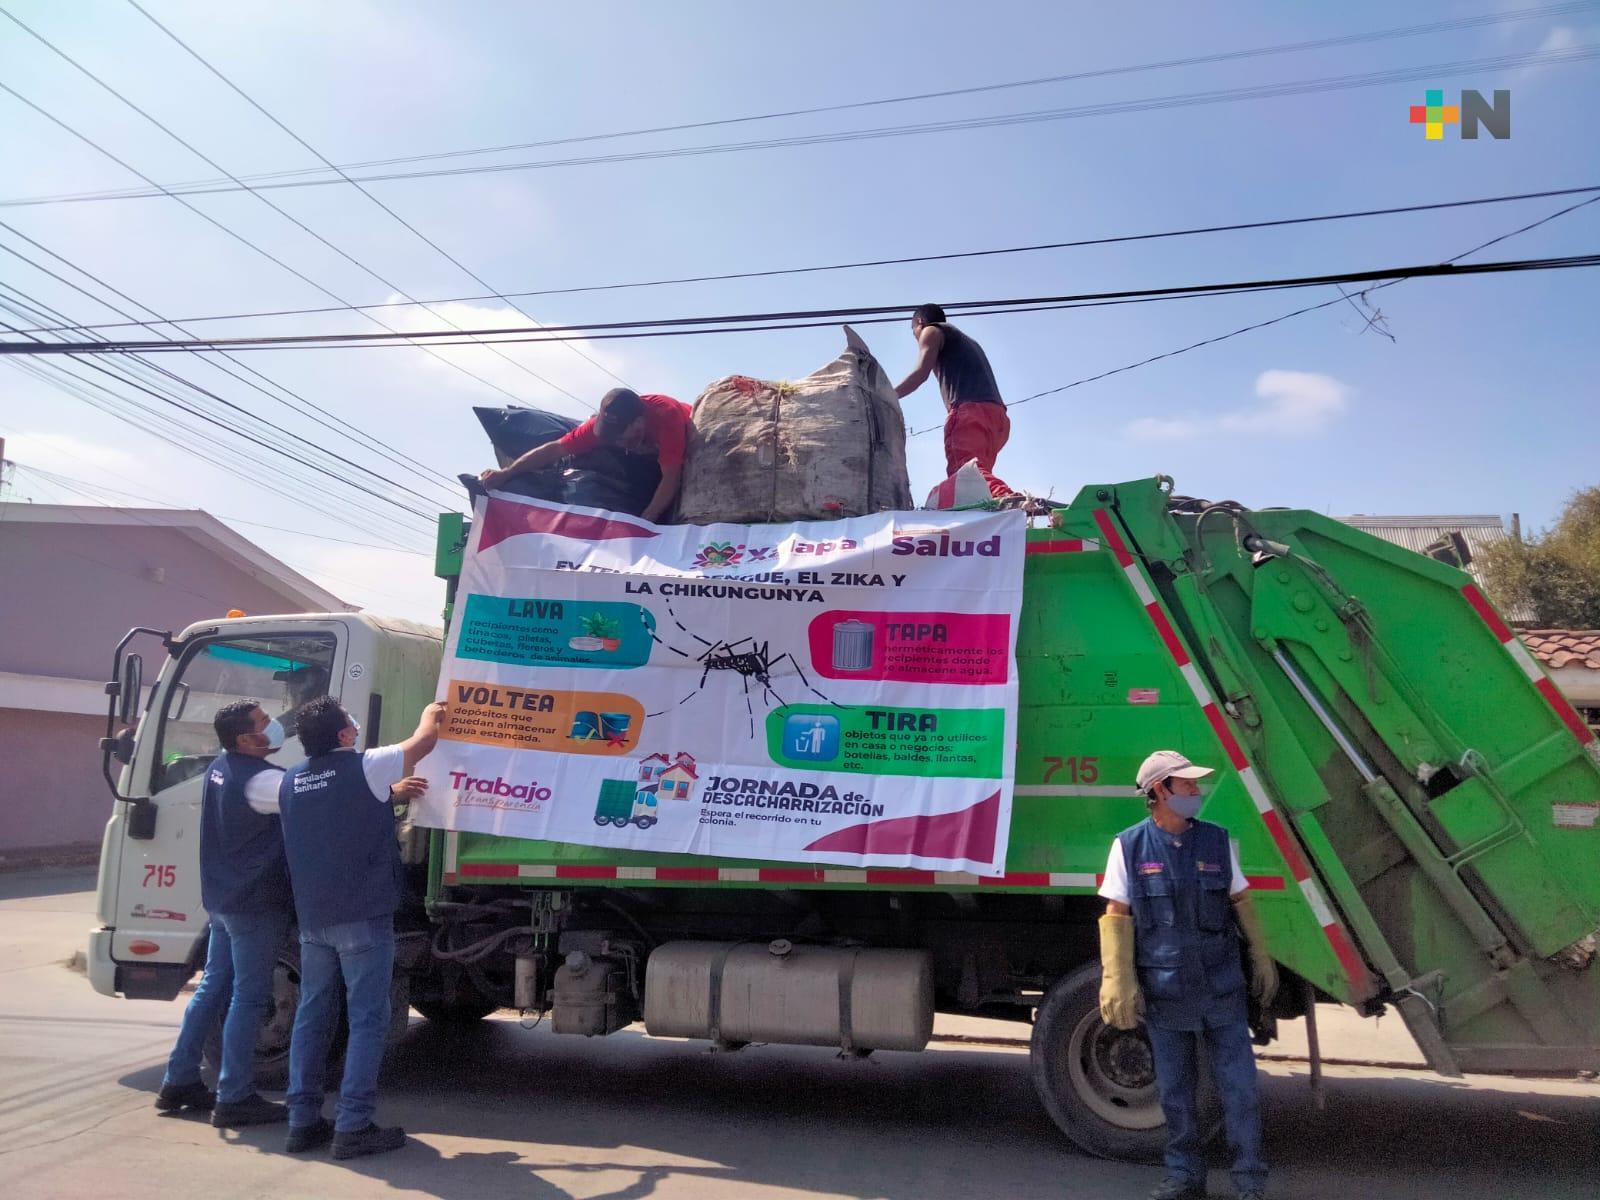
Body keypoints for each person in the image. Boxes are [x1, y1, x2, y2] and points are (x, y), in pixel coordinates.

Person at [1097, 750, 1279, 1200]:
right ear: (1160, 792)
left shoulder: (1218, 841)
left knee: (1240, 1091)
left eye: (1196, 785)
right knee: (1176, 1095)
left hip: (1221, 988)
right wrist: (1117, 978)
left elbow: (1240, 901)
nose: (1197, 792)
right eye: (1188, 786)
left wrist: (1261, 956)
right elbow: (1117, 912)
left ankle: (1249, 1181)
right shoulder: (1130, 846)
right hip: (1167, 991)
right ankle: (1183, 1177)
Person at [277, 697, 442, 1158]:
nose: (355, 726)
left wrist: (390, 795)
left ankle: (302, 1122)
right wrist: (433, 708)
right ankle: (353, 1126)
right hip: (361, 917)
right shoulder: (365, 765)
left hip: (313, 918)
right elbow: (424, 741)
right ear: (345, 735)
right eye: (351, 722)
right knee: (368, 1020)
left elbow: (333, 815)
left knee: (312, 1017)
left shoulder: (292, 779)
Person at [154, 699, 293, 1129]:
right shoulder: (264, 781)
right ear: (245, 739)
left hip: (223, 900)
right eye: (264, 724)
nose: (273, 728)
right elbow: (318, 800)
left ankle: (178, 1080)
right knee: (249, 997)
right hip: (254, 904)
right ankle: (234, 1096)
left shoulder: (220, 767)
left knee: (213, 987)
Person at [478, 387, 691, 522]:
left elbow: (671, 476)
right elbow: (555, 449)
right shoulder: (606, 429)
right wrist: (507, 473)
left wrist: (646, 520)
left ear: (638, 422)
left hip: (691, 450)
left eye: (621, 437)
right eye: (612, 437)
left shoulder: (666, 416)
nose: (617, 442)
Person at [893, 303, 1014, 499]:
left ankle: (1010, 500)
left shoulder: (931, 330)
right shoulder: (965, 340)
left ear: (919, 322)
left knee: (966, 475)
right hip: (997, 419)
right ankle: (994, 512)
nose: (916, 337)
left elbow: (920, 374)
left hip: (970, 412)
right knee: (976, 484)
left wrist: (887, 395)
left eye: (914, 331)